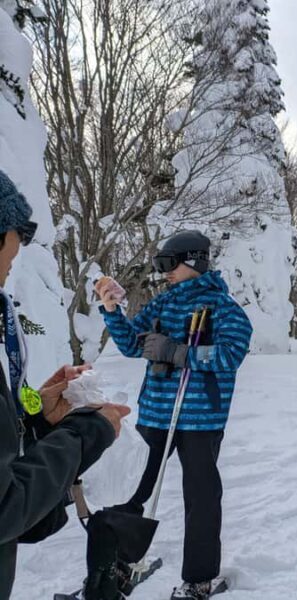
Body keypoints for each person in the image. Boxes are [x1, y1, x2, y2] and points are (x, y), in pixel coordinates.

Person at [95, 230, 253, 600]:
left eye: (169, 264)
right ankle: (116, 564)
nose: (163, 272)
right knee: (134, 486)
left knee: (200, 495)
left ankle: (199, 577)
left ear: (194, 262)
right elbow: (134, 344)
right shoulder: (162, 304)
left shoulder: (223, 308)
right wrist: (110, 310)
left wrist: (179, 353)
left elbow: (231, 355)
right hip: (156, 413)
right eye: (160, 264)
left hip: (200, 419)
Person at [0, 169, 129, 599]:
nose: (7, 276)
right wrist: (84, 433)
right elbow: (5, 506)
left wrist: (35, 411)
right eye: (9, 261)